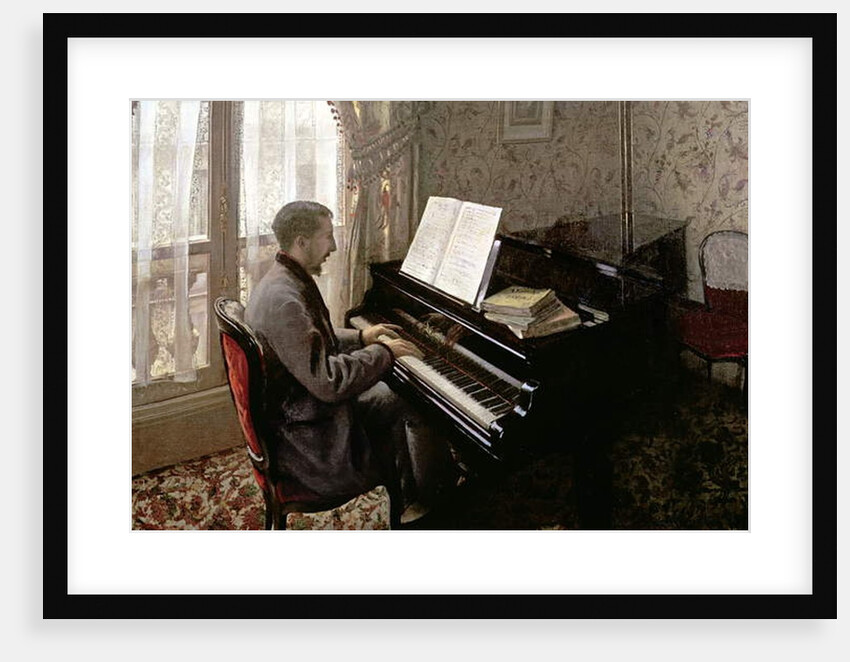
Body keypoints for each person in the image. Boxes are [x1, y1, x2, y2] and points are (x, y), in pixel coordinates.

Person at [245, 200, 455, 525]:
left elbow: (308, 341)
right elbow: (329, 383)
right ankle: (435, 502)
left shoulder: (282, 279)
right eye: (327, 236)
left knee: (396, 395)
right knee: (416, 401)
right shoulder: (284, 300)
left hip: (301, 414)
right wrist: (384, 352)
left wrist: (361, 337)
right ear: (302, 242)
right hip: (308, 443)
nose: (333, 246)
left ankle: (416, 493)